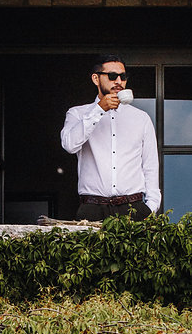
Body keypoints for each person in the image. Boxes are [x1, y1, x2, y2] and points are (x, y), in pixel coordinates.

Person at [60, 58, 161, 220]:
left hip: (133, 207)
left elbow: (150, 166)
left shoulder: (141, 118)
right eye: (112, 76)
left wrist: (151, 207)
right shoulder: (77, 114)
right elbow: (69, 145)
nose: (119, 81)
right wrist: (99, 109)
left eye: (123, 76)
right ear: (95, 79)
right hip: (92, 209)